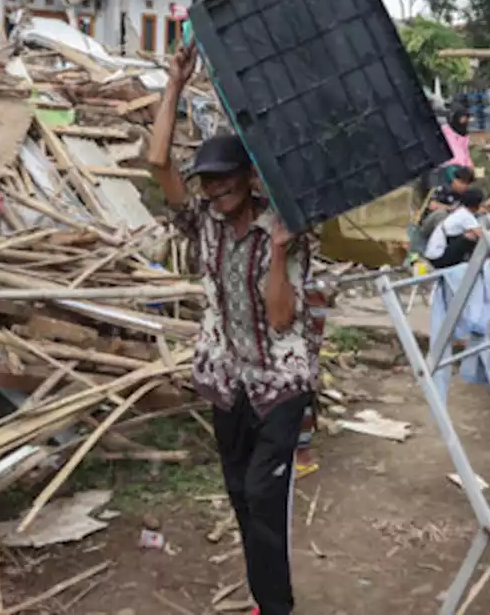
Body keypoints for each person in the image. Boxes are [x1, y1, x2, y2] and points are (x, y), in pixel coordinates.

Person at [147, 42, 317, 615]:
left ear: (247, 177)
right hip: (227, 377)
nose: (214, 193)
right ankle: (266, 600)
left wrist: (276, 253)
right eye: (207, 185)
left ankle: (277, 608)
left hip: (279, 382)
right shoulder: (203, 223)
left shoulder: (285, 227)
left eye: (224, 182)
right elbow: (157, 164)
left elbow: (279, 318)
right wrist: (174, 83)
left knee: (263, 491)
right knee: (240, 496)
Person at [425, 187, 485, 269]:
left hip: (436, 254)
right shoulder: (466, 216)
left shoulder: (461, 211)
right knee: (471, 237)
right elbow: (482, 235)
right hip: (438, 259)